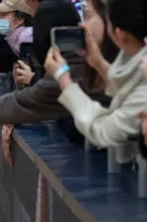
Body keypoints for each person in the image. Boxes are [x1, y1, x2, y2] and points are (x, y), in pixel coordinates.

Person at [0, 0, 111, 134]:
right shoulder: (79, 60)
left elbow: (20, 102)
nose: (83, 25)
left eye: (88, 16)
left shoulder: (64, 63)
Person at [43, 0, 147, 163]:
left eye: (88, 15)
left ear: (118, 33)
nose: (82, 23)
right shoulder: (137, 64)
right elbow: (128, 88)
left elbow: (103, 131)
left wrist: (63, 77)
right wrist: (98, 62)